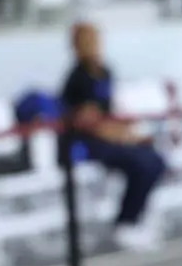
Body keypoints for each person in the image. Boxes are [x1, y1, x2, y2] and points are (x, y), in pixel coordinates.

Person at [60, 21, 168, 252]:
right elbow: (88, 122)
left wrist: (128, 133)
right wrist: (121, 136)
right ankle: (125, 223)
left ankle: (134, 217)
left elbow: (108, 112)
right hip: (88, 143)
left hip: (111, 136)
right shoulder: (77, 79)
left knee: (155, 160)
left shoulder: (106, 72)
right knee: (142, 164)